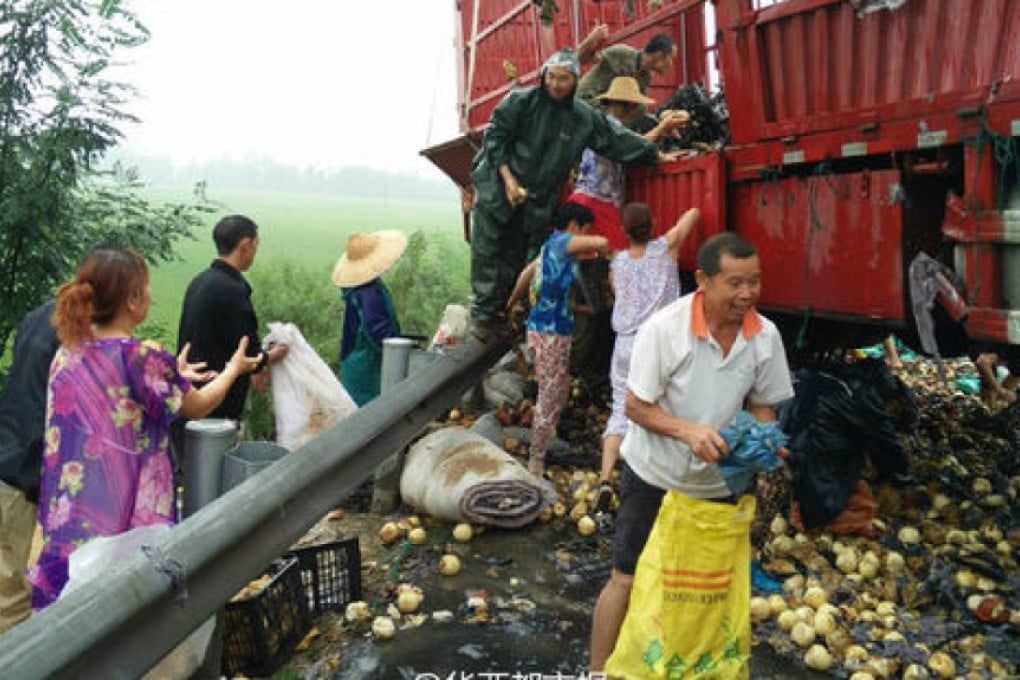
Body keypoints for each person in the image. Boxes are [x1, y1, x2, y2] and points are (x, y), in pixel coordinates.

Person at [588, 233, 794, 673]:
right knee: (627, 577)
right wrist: (688, 432)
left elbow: (763, 403)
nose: (747, 294)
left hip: (715, 485)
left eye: (754, 282)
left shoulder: (765, 336)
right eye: (735, 283)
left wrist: (764, 437)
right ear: (702, 279)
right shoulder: (665, 330)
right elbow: (635, 406)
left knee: (704, 589)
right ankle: (598, 671)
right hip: (654, 476)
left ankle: (685, 665)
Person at [28, 245, 261, 608]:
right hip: (121, 523)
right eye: (146, 288)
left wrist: (173, 375)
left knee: (71, 621)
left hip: (72, 520)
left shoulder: (68, 352)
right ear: (133, 300)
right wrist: (234, 368)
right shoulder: (139, 358)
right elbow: (198, 407)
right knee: (122, 615)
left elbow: (112, 394)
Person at [468, 48, 671, 340]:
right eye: (551, 77)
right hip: (498, 185)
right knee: (489, 249)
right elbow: (495, 139)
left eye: (563, 79)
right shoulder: (520, 102)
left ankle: (501, 313)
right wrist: (509, 181)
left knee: (514, 250)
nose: (555, 84)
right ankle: (484, 318)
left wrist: (653, 153)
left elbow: (615, 140)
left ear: (575, 80)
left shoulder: (582, 117)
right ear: (543, 75)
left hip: (535, 195)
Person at [594, 204, 699, 512]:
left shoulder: (619, 263)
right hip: (659, 343)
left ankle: (604, 478)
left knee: (620, 408)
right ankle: (663, 480)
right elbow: (691, 214)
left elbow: (617, 291)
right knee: (665, 407)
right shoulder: (665, 249)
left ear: (624, 232)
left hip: (625, 343)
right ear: (652, 224)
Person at [506, 202, 606, 476]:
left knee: (559, 388)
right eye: (585, 229)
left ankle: (547, 436)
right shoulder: (562, 242)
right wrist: (607, 245)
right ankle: (536, 457)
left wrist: (511, 302)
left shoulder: (549, 246)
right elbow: (596, 241)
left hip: (547, 328)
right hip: (550, 333)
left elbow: (528, 274)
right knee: (550, 393)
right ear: (574, 226)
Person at [177, 215, 287, 423]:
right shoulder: (232, 290)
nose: (255, 252)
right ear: (245, 245)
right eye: (256, 245)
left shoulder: (200, 281)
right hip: (216, 401)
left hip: (189, 390)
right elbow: (249, 355)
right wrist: (276, 354)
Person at [0, 301, 60, 632]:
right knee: (10, 601)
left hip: (8, 450)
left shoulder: (40, 313)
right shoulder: (74, 330)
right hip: (18, 470)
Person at [331, 230, 407, 406]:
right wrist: (401, 350)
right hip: (366, 364)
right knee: (372, 414)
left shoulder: (358, 288)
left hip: (355, 360)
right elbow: (379, 333)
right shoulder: (368, 293)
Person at [576, 33, 677, 122]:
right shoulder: (621, 53)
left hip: (606, 111)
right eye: (671, 58)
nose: (671, 64)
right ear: (659, 55)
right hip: (584, 101)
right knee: (639, 109)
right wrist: (592, 40)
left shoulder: (646, 77)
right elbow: (582, 59)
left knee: (639, 108)